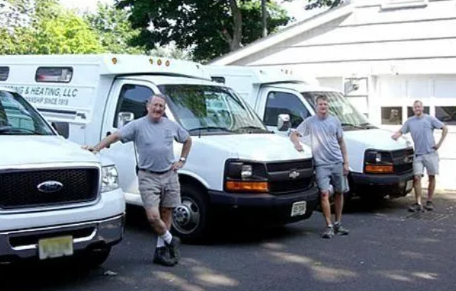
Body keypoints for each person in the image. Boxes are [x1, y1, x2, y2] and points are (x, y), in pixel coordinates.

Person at [83, 93, 192, 266]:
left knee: (166, 212)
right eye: (155, 105)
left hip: (169, 174)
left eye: (161, 106)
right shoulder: (137, 125)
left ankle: (161, 251)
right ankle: (171, 239)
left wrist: (182, 161)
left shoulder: (171, 125)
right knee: (153, 217)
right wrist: (96, 148)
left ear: (164, 109)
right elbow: (116, 136)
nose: (158, 109)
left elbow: (187, 140)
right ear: (148, 106)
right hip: (148, 176)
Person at [290, 95, 350, 239]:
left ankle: (338, 223)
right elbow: (294, 134)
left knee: (339, 192)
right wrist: (297, 144)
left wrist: (346, 162)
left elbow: (341, 142)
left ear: (328, 106)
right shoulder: (310, 122)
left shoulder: (334, 121)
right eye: (320, 105)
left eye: (325, 104)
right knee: (324, 193)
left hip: (336, 161)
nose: (323, 107)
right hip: (321, 164)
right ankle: (328, 225)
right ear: (316, 106)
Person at [392, 100, 448, 212]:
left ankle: (429, 201)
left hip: (430, 153)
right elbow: (400, 132)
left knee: (431, 177)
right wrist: (391, 138)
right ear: (413, 109)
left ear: (422, 108)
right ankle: (418, 202)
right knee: (417, 178)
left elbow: (445, 128)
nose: (417, 109)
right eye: (415, 107)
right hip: (418, 155)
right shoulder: (410, 122)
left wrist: (439, 144)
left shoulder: (429, 119)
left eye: (419, 107)